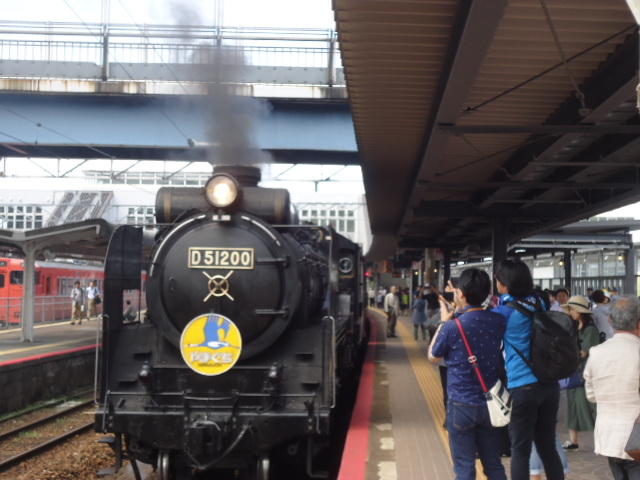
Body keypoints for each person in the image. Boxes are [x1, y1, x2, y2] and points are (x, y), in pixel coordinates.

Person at [429, 268, 507, 480]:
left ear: (461, 294)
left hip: (461, 404)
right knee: (493, 464)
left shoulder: (452, 326)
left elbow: (433, 356)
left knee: (464, 467)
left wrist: (444, 321)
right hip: (490, 403)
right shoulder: (498, 320)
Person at [492, 259, 565, 480]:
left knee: (520, 450)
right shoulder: (540, 303)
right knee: (547, 447)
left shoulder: (503, 312)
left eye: (498, 280)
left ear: (505, 284)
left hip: (522, 386)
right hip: (549, 384)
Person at [584, 296, 640, 480]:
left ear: (610, 320)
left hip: (609, 436)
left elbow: (591, 395)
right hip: (636, 438)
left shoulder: (597, 352)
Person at [559, 295, 598, 450]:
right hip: (573, 372)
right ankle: (573, 441)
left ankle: (601, 439)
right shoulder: (573, 327)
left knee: (589, 407)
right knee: (573, 406)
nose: (571, 312)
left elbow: (585, 352)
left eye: (573, 309)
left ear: (580, 311)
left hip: (585, 373)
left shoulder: (590, 330)